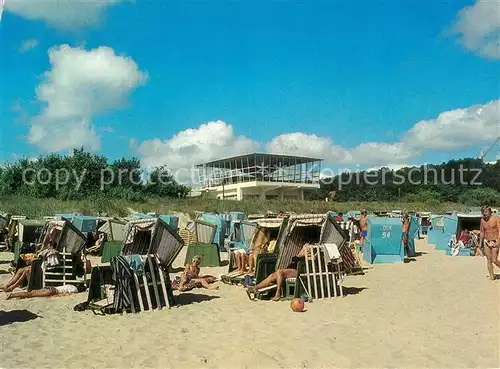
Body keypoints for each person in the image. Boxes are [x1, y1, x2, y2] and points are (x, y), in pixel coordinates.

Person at [245, 243, 313, 301]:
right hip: (291, 270)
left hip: (298, 270)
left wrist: (304, 254)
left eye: (305, 248)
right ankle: (255, 288)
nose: (303, 249)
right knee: (272, 275)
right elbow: (295, 258)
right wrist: (301, 253)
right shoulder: (301, 254)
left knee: (279, 272)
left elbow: (306, 263)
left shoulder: (309, 256)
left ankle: (278, 293)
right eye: (303, 248)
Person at [479, 205, 500, 280]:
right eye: (483, 212)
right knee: (488, 260)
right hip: (486, 241)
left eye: (485, 212)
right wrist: (480, 243)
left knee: (494, 260)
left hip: (495, 240)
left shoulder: (496, 219)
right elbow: (482, 232)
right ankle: (492, 276)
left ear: (490, 212)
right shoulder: (482, 220)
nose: (484, 213)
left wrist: (498, 241)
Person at [5, 284, 83, 300]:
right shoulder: (75, 290)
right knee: (31, 294)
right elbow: (67, 294)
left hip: (51, 287)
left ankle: (18, 296)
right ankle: (13, 295)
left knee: (32, 293)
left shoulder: (71, 285)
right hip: (53, 291)